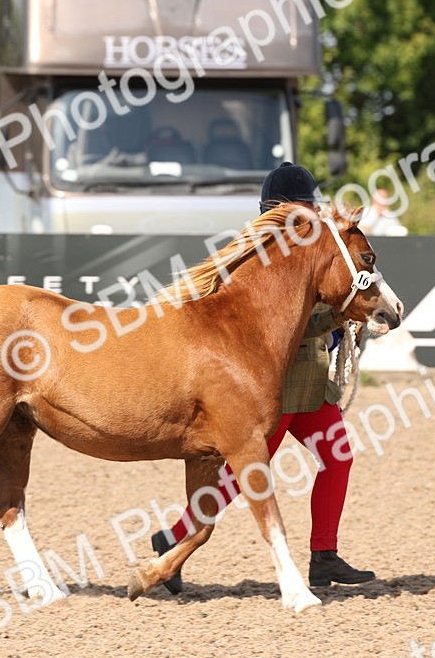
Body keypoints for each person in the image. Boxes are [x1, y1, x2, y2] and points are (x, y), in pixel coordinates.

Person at [151, 161, 376, 593]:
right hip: (275, 388)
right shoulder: (264, 254)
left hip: (311, 385)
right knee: (242, 474)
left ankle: (324, 555)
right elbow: (283, 325)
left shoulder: (313, 247)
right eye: (303, 207)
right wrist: (338, 315)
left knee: (338, 458)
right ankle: (174, 541)